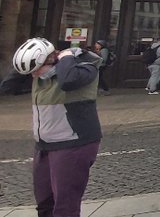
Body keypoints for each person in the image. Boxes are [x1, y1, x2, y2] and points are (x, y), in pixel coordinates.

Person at [11, 37, 102, 217]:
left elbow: (67, 81)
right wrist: (23, 64)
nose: (34, 75)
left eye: (36, 69)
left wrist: (66, 58)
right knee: (44, 204)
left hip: (73, 144)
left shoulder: (84, 68)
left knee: (64, 207)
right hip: (45, 145)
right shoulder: (40, 75)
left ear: (51, 59)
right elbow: (7, 86)